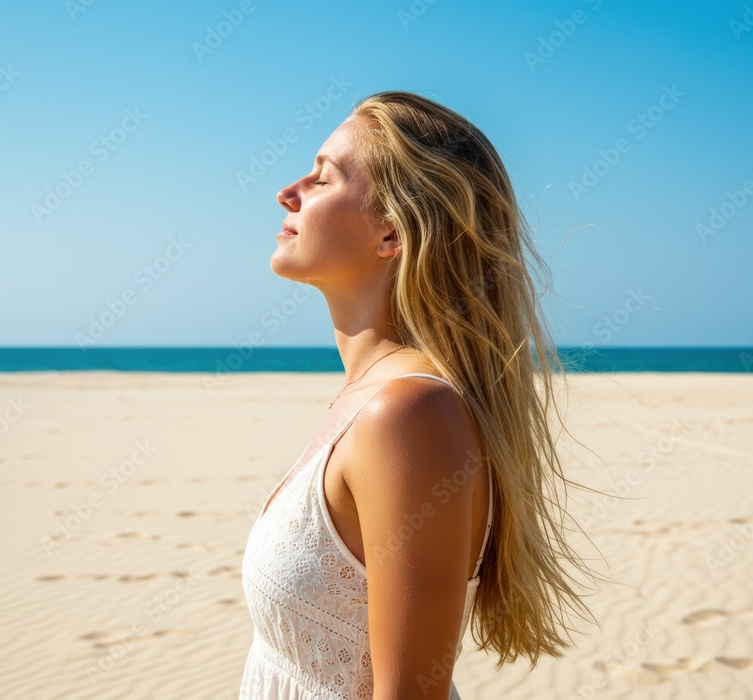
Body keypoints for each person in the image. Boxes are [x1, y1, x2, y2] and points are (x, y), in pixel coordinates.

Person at [239, 90, 599, 699]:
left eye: (322, 178)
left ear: (392, 233)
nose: (288, 190)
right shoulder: (367, 399)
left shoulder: (408, 416)